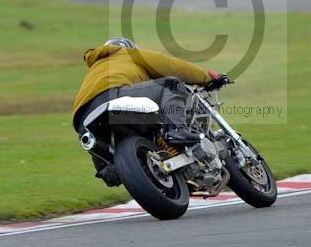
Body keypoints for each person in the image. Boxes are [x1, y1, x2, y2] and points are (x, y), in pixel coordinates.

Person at [72, 37, 227, 186]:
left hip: (83, 118)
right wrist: (206, 77)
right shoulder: (124, 53)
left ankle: (113, 169)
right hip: (115, 95)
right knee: (171, 84)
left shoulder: (95, 70)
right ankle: (177, 130)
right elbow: (168, 65)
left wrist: (105, 167)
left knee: (104, 142)